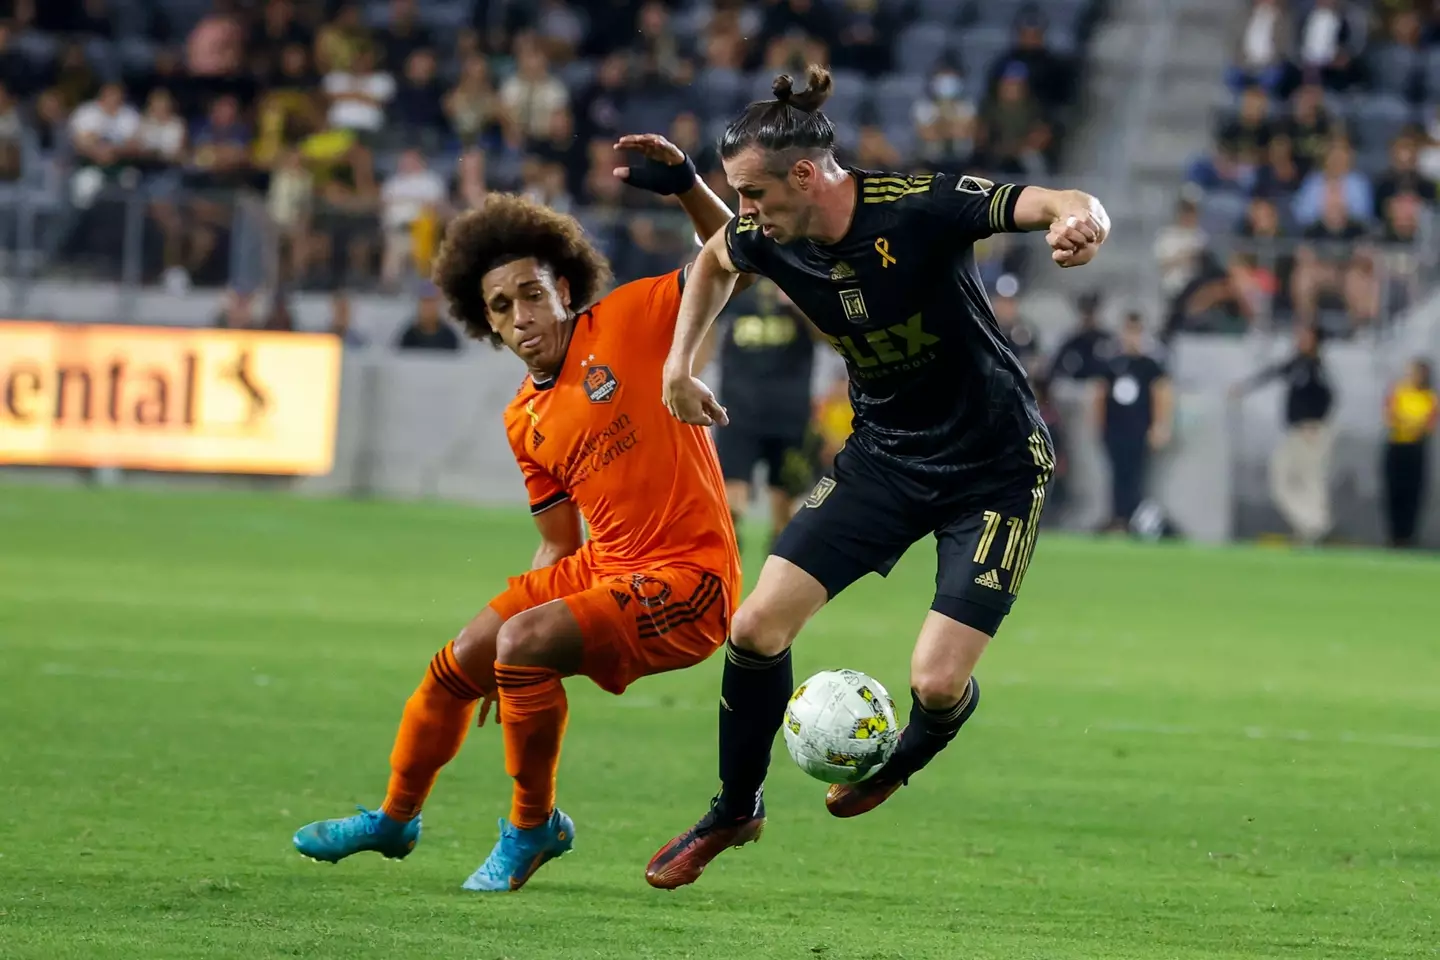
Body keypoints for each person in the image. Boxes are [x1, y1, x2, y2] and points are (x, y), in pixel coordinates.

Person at [646, 65, 1110, 889]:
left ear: (804, 175)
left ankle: (904, 758)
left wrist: (1081, 222)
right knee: (754, 629)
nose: (744, 213)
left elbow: (1057, 198)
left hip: (996, 470)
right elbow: (715, 259)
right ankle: (735, 806)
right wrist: (680, 365)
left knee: (935, 678)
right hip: (886, 457)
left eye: (751, 193)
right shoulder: (768, 234)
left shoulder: (918, 204)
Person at [291, 134, 745, 893]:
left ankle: (533, 829)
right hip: (607, 569)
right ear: (489, 325)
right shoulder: (522, 420)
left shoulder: (630, 322)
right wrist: (508, 659)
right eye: (502, 306)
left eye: (533, 293)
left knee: (522, 644)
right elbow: (557, 544)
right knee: (462, 660)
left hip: (690, 580)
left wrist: (689, 187)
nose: (522, 315)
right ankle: (396, 818)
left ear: (564, 289)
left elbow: (732, 254)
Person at [715, 279, 818, 549]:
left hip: (790, 416)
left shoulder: (803, 273)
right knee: (729, 505)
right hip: (736, 413)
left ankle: (774, 583)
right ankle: (725, 574)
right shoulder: (737, 276)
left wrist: (803, 302)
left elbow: (827, 338)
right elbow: (704, 327)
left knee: (783, 516)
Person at [1230, 323, 1335, 546]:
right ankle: (1311, 525)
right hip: (1296, 430)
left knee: (1308, 478)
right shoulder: (1298, 363)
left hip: (1309, 431)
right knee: (1283, 477)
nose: (1299, 340)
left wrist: (1315, 423)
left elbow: (1328, 396)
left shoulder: (1316, 367)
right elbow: (1273, 372)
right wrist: (1244, 387)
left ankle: (1315, 525)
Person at [1093, 312, 1173, 532]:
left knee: (1136, 478)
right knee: (1117, 477)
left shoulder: (1149, 365)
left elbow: (1162, 393)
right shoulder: (1112, 364)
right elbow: (1099, 394)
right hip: (1115, 430)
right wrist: (1100, 427)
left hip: (1139, 430)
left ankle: (1134, 520)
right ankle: (1118, 519)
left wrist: (1160, 425)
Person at [1382, 359, 1437, 548]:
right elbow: (1390, 416)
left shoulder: (1430, 397)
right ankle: (1394, 535)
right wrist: (1406, 423)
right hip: (1397, 446)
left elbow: (1428, 424)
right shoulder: (1399, 392)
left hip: (1416, 449)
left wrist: (1410, 425)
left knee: (1412, 493)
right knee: (1393, 491)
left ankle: (1408, 536)